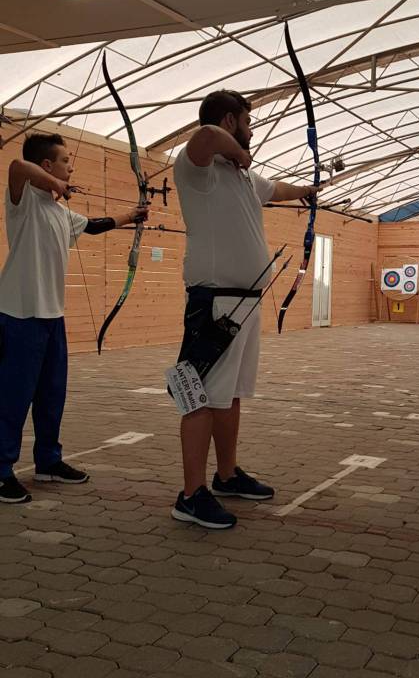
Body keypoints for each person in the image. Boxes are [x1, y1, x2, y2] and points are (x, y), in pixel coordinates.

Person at [171, 90, 321, 529]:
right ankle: (190, 494)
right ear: (232, 121)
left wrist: (309, 190)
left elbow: (275, 189)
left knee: (229, 393)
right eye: (247, 122)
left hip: (244, 301)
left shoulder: (239, 177)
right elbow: (205, 135)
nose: (252, 131)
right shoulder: (197, 167)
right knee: (200, 395)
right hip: (215, 301)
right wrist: (237, 150)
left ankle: (226, 475)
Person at [0, 133, 148, 504]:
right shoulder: (23, 201)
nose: (71, 165)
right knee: (13, 397)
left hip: (52, 318)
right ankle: (1, 471)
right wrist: (55, 184)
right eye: (66, 160)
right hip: (19, 315)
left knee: (52, 395)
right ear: (48, 166)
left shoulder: (60, 213)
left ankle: (48, 461)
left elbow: (96, 225)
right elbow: (18, 166)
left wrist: (133, 215)